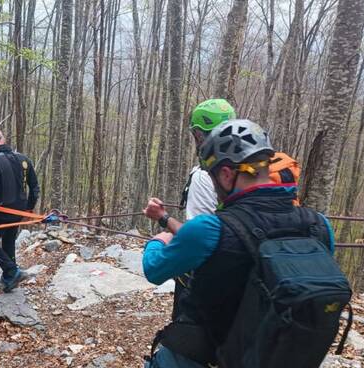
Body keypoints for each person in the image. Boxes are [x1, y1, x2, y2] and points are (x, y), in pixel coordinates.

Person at [142, 120, 348, 368]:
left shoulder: (210, 228)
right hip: (277, 352)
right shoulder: (319, 225)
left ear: (227, 174)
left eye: (212, 176)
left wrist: (157, 241)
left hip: (205, 354)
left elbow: (154, 270)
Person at [0, 129, 40, 292]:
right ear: (3, 140)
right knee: (8, 240)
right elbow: (34, 188)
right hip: (19, 210)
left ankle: (12, 271)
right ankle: (10, 277)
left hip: (1, 210)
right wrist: (28, 208)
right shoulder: (24, 159)